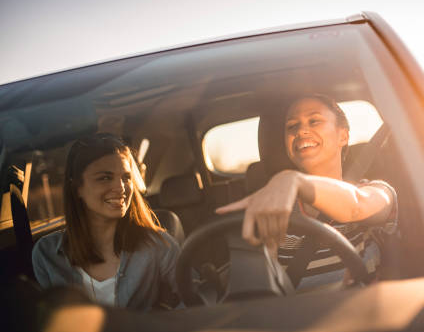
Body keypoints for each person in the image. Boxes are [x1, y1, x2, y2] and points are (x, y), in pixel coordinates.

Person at [217, 94, 397, 288]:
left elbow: (356, 206)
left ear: (342, 136)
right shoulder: (272, 211)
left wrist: (293, 180)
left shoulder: (376, 191)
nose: (302, 130)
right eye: (292, 126)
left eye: (314, 121)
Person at [32, 133, 180, 310]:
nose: (121, 187)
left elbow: (196, 299)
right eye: (105, 178)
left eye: (126, 177)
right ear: (77, 187)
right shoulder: (47, 254)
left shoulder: (158, 245)